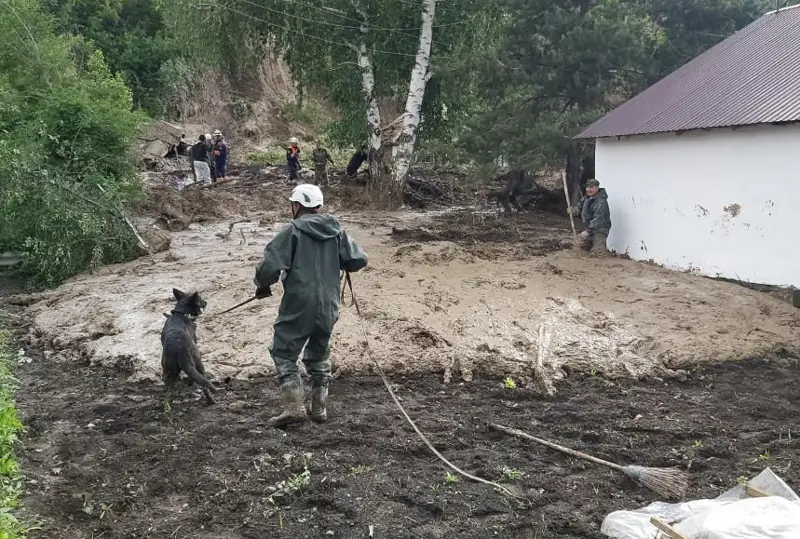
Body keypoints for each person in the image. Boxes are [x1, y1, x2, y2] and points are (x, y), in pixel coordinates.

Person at [254, 184, 368, 427]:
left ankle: (294, 408)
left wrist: (262, 286)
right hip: (329, 303)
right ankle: (319, 409)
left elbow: (268, 267)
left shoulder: (292, 231)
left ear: (297, 206)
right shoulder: (337, 231)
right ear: (318, 206)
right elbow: (358, 259)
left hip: (299, 302)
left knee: (283, 352)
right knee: (319, 351)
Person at [570, 178, 611, 255]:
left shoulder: (601, 202)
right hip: (589, 228)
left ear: (597, 188)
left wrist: (588, 231)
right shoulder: (586, 197)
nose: (588, 189)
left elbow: (598, 219)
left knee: (599, 253)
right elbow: (579, 206)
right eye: (587, 187)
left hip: (600, 229)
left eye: (591, 187)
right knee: (581, 248)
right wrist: (573, 211)